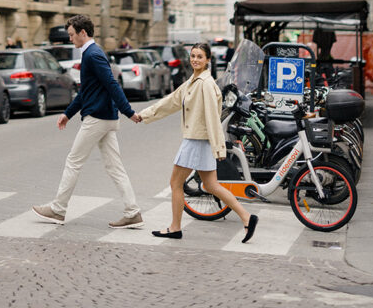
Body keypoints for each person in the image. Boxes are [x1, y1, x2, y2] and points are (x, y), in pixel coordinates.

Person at [138, 41, 257, 243]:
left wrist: (219, 147)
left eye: (199, 57)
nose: (195, 60)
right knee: (211, 185)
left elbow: (213, 117)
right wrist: (144, 115)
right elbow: (172, 100)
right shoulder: (194, 81)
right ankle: (247, 217)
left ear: (208, 60)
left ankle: (175, 228)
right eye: (193, 56)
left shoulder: (205, 84)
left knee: (175, 183)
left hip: (196, 140)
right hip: (199, 140)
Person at [32, 14, 143, 229]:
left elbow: (112, 83)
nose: (70, 39)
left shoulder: (93, 54)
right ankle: (133, 212)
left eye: (72, 35)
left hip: (97, 118)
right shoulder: (91, 53)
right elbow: (86, 92)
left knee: (73, 162)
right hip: (105, 117)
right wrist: (68, 113)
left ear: (83, 33)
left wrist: (128, 112)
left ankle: (58, 209)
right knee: (115, 167)